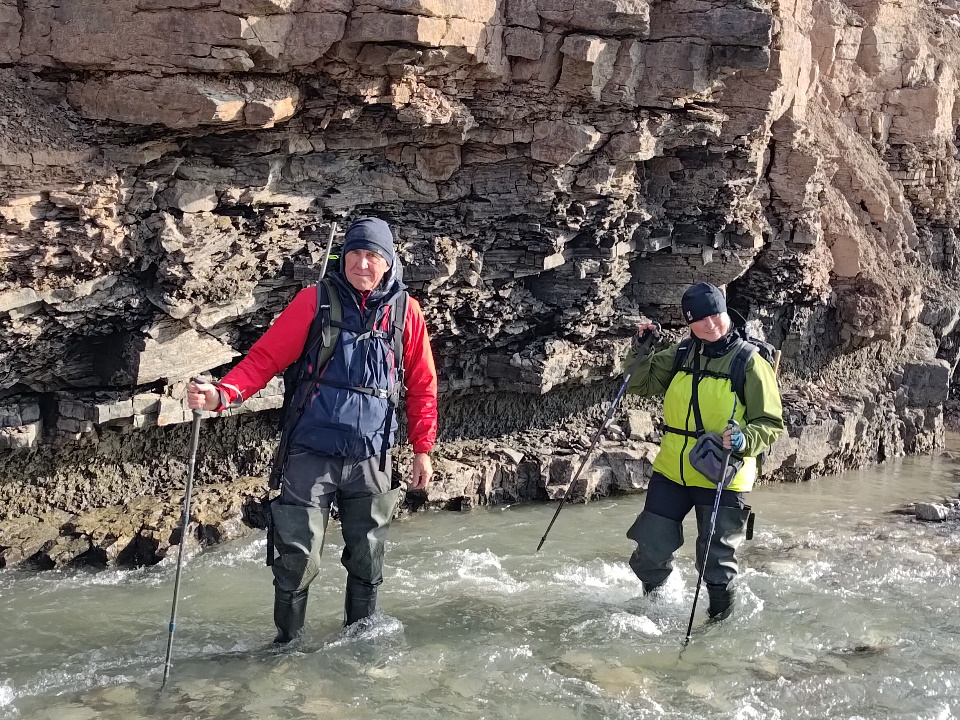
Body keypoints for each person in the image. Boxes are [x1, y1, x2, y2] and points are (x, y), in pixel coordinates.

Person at [187, 217, 438, 643]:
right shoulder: (314, 301)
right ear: (343, 257)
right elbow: (265, 359)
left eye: (372, 255)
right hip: (310, 454)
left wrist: (422, 448)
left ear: (388, 262)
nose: (362, 263)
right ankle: (286, 646)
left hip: (372, 457)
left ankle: (359, 641)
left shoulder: (406, 312)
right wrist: (221, 395)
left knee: (368, 556)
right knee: (297, 558)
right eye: (355, 253)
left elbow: (422, 384)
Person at [624, 282, 784, 620]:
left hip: (723, 474)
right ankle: (655, 613)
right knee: (651, 549)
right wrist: (641, 349)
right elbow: (641, 383)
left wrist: (743, 439)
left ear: (726, 312)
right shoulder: (682, 354)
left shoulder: (750, 362)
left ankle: (718, 627)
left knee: (716, 563)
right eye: (700, 319)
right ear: (689, 323)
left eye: (716, 315)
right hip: (673, 470)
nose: (711, 324)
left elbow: (770, 424)